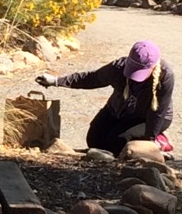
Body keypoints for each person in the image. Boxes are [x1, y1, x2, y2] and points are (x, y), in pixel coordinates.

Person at [35, 40, 174, 157]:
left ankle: (160, 141)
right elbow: (92, 78)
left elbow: (158, 112)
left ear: (154, 66)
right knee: (94, 141)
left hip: (149, 118)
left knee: (117, 143)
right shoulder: (118, 68)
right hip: (119, 111)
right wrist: (56, 81)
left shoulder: (165, 76)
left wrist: (149, 144)